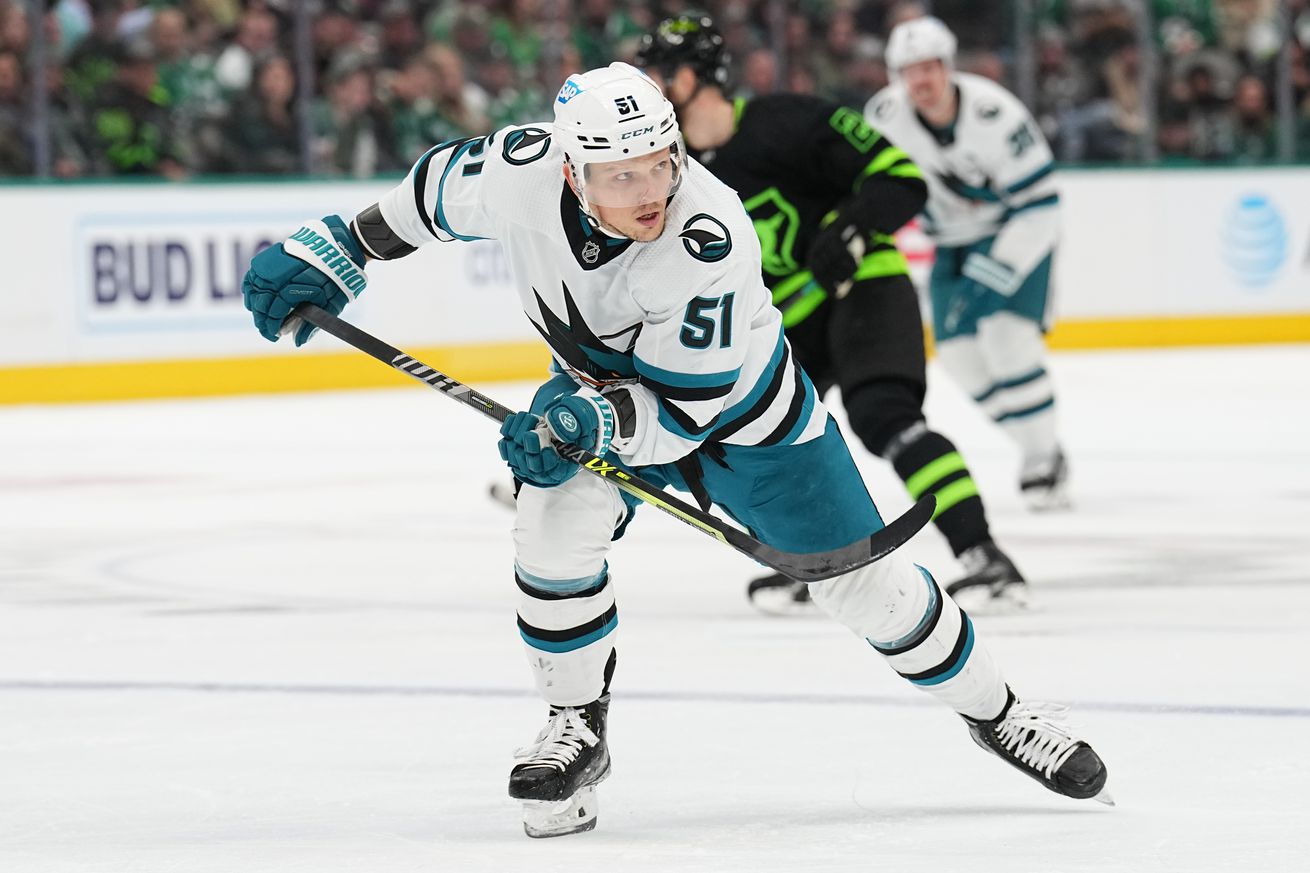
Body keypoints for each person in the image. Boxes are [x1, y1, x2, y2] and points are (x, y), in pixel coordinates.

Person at [240, 62, 1109, 838]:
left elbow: (684, 414)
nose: (651, 189)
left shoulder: (707, 233)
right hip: (601, 399)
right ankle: (576, 724)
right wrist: (340, 246)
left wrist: (580, 425)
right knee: (550, 530)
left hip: (748, 421)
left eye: (661, 163)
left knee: (862, 586)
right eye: (622, 176)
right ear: (571, 169)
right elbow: (431, 196)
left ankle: (1001, 713)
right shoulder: (516, 169)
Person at [636, 15, 1028, 615]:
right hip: (787, 318)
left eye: (660, 72)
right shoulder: (675, 174)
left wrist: (850, 230)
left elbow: (901, 179)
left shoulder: (789, 121)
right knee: (761, 436)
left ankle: (983, 555)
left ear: (696, 76)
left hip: (863, 289)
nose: (648, 87)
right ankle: (812, 562)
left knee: (885, 417)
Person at [865, 17, 1070, 510]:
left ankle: (1042, 459)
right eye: (910, 70)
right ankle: (1036, 443)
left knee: (1006, 338)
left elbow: (1042, 205)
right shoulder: (883, 117)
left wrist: (998, 271)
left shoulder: (994, 113)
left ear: (948, 66)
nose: (923, 80)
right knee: (958, 358)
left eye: (931, 67)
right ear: (896, 75)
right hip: (949, 243)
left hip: (1012, 232)